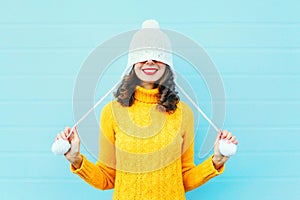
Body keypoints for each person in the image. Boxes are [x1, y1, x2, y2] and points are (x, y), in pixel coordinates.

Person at [55, 19, 238, 200]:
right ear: (132, 63)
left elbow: (183, 179)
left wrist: (217, 161)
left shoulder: (183, 113)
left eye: (157, 55)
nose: (150, 61)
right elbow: (107, 178)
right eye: (142, 55)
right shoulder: (111, 112)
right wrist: (76, 159)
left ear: (166, 63)